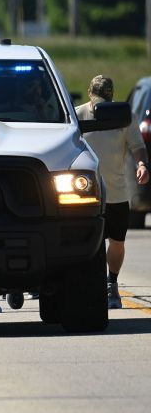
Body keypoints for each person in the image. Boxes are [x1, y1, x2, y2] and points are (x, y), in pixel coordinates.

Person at [76, 75, 149, 309]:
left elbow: (138, 146)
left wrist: (142, 165)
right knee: (86, 243)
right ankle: (81, 286)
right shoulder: (76, 115)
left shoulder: (124, 117)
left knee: (116, 242)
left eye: (105, 99)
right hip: (83, 194)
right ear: (89, 93)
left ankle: (112, 283)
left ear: (112, 96)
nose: (100, 104)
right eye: (98, 99)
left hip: (116, 193)